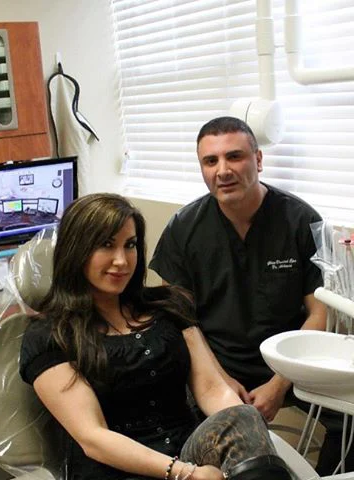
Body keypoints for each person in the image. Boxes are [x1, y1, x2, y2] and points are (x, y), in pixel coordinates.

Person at [19, 193, 293, 480]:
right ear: (76, 251)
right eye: (106, 245)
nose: (121, 260)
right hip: (115, 470)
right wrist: (185, 473)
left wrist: (247, 433)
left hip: (188, 453)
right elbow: (93, 437)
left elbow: (212, 389)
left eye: (130, 245)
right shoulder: (49, 336)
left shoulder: (169, 306)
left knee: (244, 417)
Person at [149, 116, 352, 475]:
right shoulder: (184, 228)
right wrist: (219, 381)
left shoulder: (299, 220)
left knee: (350, 419)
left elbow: (318, 314)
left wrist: (279, 383)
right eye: (210, 161)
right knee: (181, 431)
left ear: (258, 160)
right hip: (216, 364)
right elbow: (182, 321)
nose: (223, 170)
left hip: (290, 363)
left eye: (234, 156)